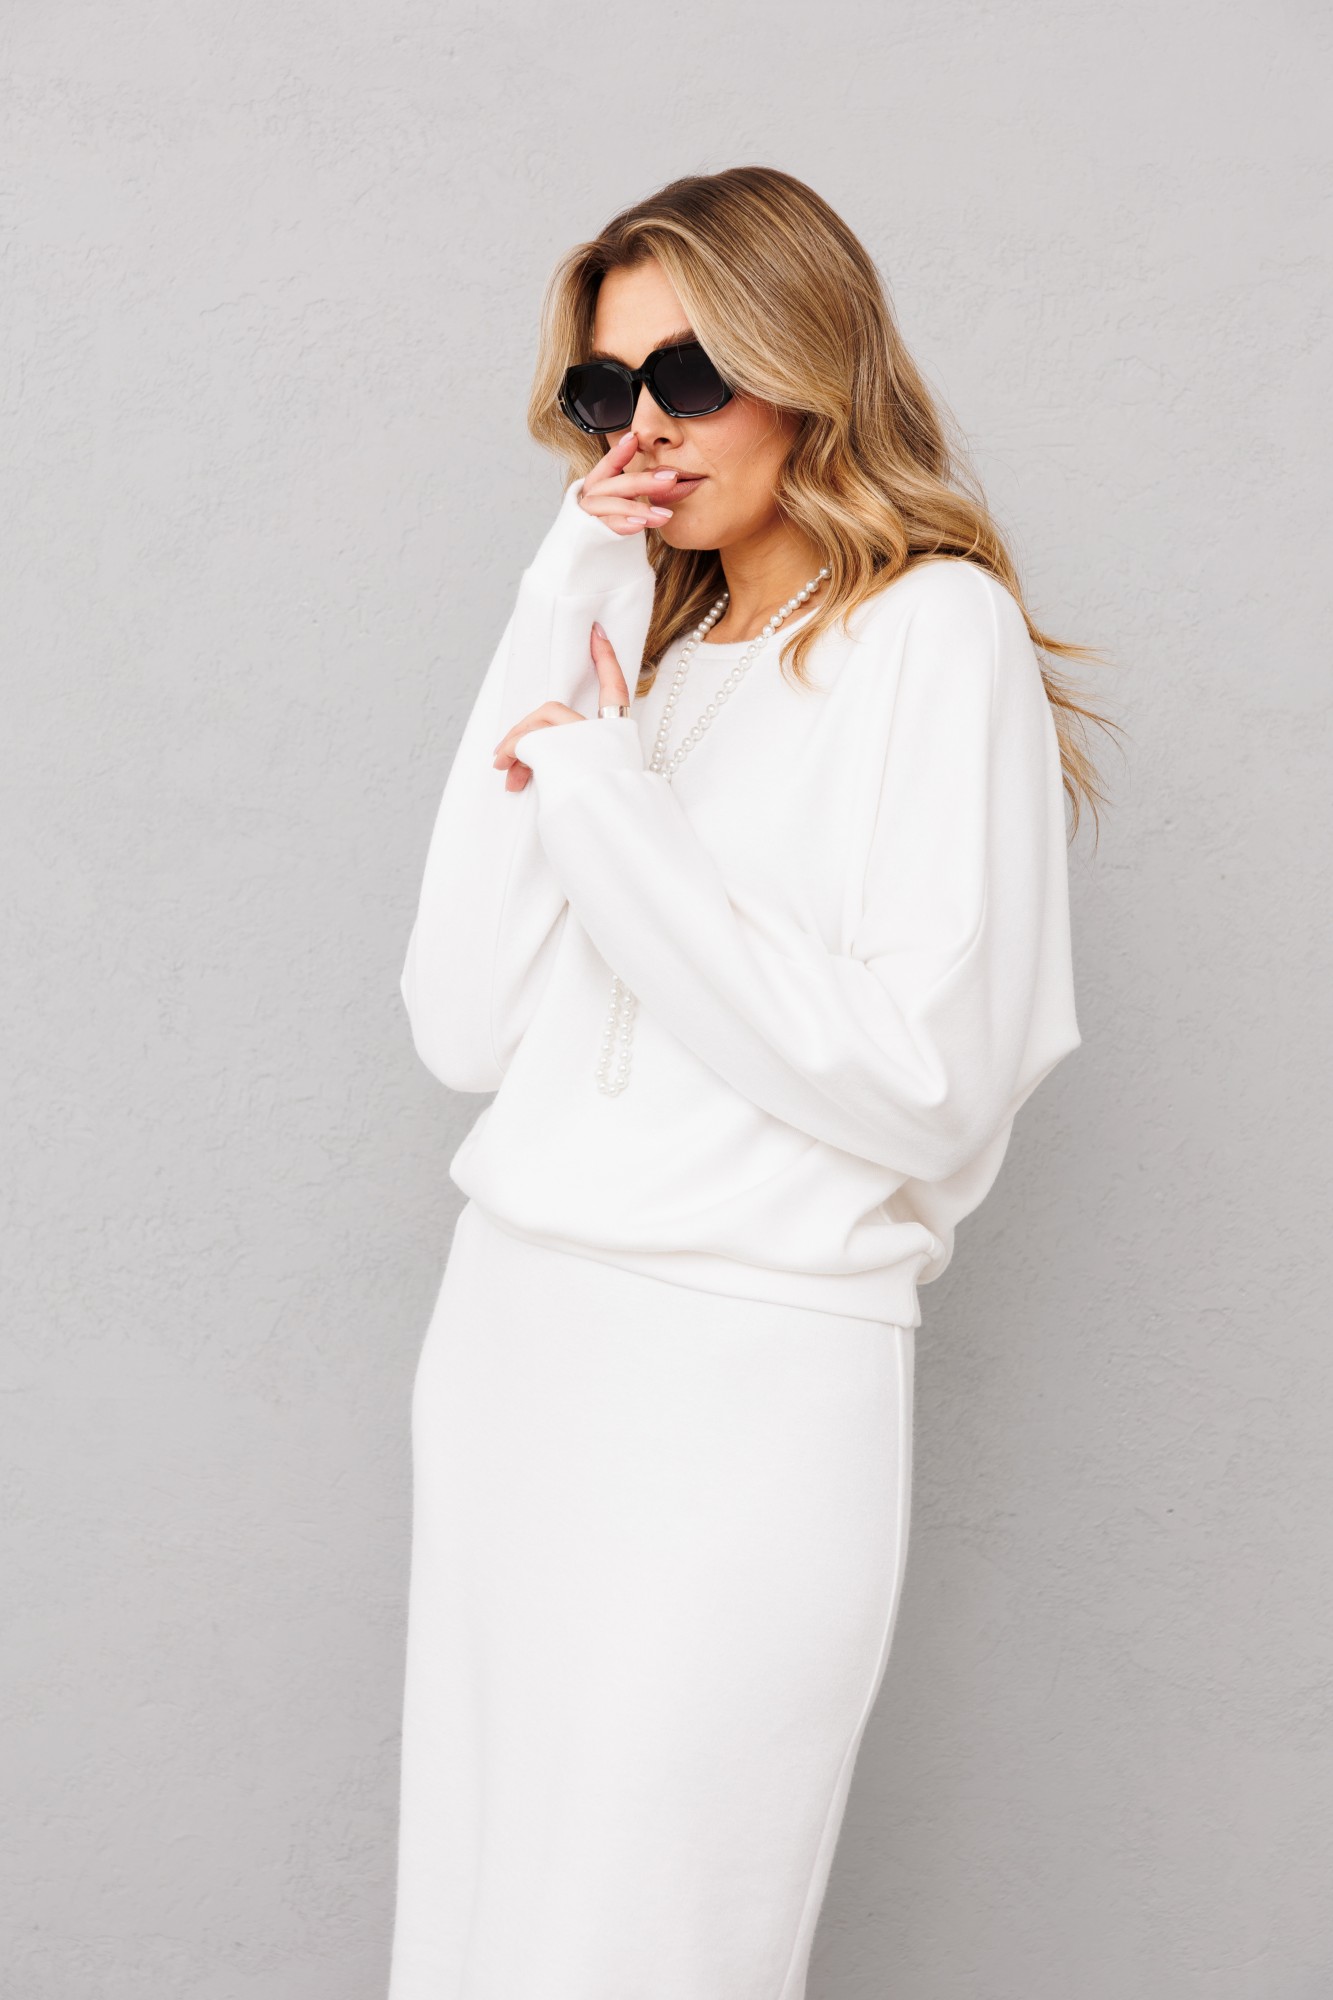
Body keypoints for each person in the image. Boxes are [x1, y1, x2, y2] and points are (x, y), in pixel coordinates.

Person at [386, 164, 1111, 1999]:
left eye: (690, 375)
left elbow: (928, 1082)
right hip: (514, 1341)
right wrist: (566, 594)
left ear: (807, 367)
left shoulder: (929, 632)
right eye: (601, 390)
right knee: (479, 1926)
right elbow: (461, 1021)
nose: (640, 429)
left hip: (743, 1370)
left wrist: (606, 802)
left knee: (645, 1941)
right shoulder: (634, 653)